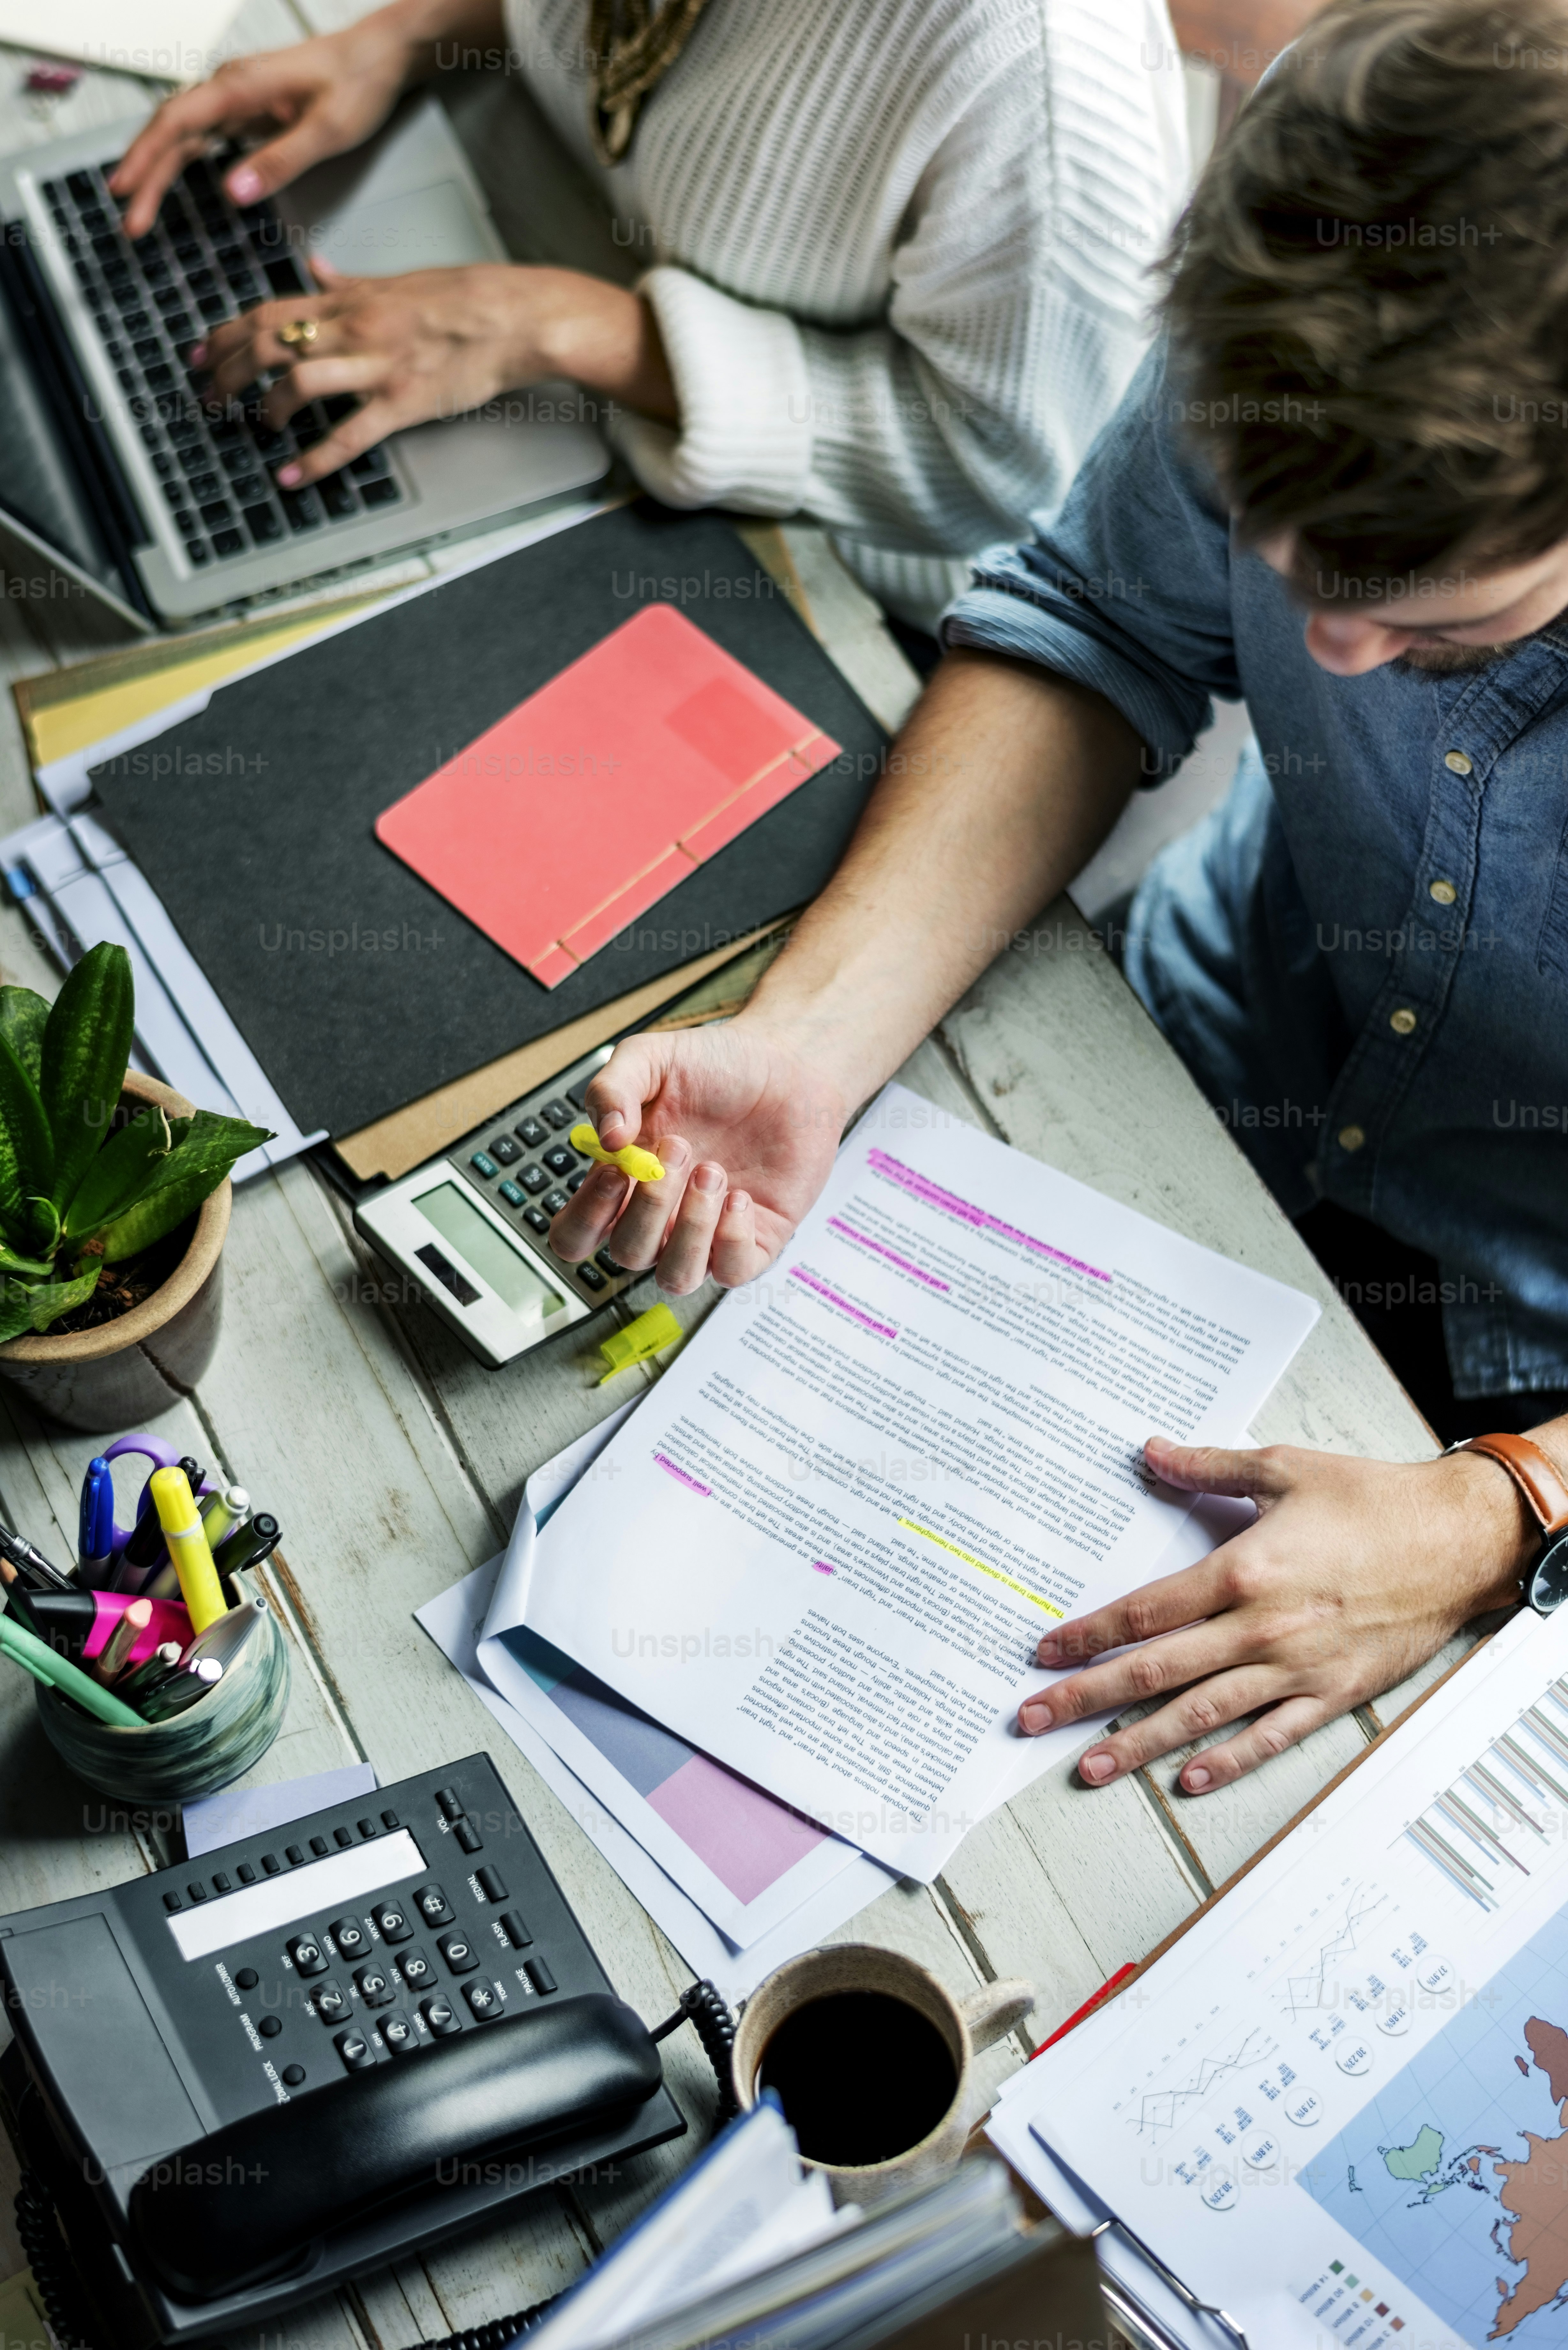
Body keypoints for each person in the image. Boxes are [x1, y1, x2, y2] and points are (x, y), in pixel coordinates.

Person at [546, 0, 1568, 1797]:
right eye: (1279, 552)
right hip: (1199, 1058)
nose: (1321, 649)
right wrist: (813, 1036)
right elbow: (1102, 624)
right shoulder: (1315, 272)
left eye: (1430, 617)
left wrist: (1511, 1507)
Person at [109, 0, 1191, 637]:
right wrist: (409, 34)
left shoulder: (1038, 77)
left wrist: (557, 327)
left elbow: (1009, 477)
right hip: (539, 228)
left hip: (824, 569)